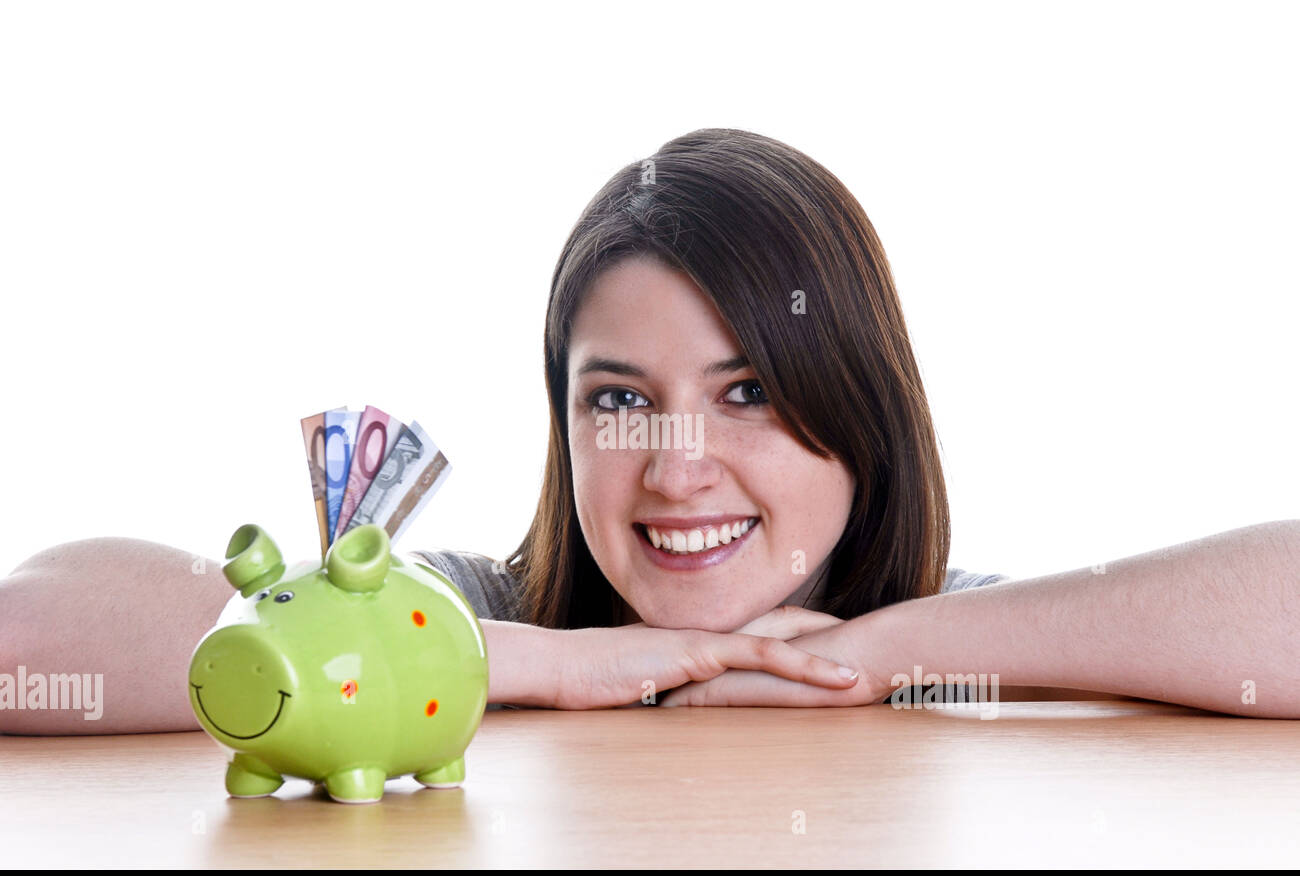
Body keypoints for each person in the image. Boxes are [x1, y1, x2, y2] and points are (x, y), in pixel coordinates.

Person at [4, 129, 1296, 734]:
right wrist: (548, 667)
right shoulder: (459, 612)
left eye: (748, 391)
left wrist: (885, 651)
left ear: (865, 413)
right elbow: (23, 645)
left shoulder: (953, 644)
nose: (676, 468)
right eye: (618, 399)